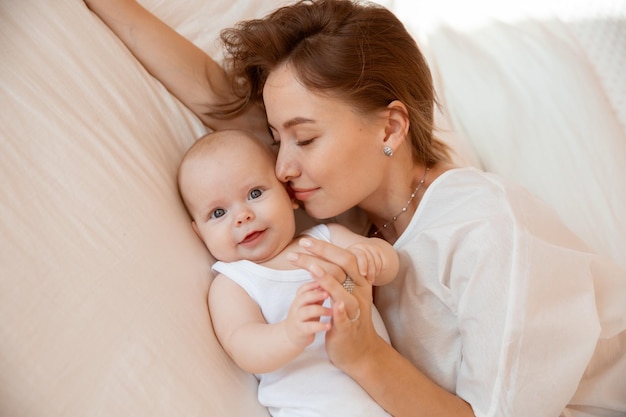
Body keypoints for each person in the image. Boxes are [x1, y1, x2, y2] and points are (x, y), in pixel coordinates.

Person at [85, 0, 626, 416]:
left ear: (390, 127)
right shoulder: (340, 209)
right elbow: (218, 102)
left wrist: (364, 355)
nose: (280, 168)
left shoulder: (485, 231)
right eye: (277, 139)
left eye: (304, 139)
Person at [177, 128, 398, 417]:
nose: (242, 216)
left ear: (289, 195)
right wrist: (289, 333)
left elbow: (388, 267)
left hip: (389, 396)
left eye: (254, 193)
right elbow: (243, 345)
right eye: (218, 213)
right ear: (199, 234)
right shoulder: (235, 283)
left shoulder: (326, 239)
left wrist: (374, 257)